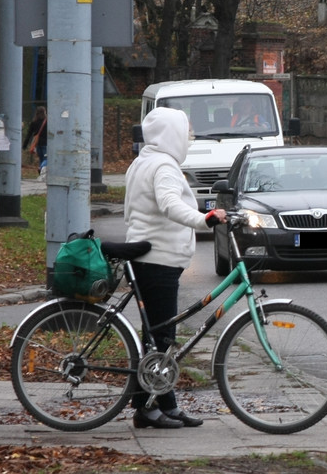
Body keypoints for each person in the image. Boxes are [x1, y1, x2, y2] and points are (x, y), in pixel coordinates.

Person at [123, 107, 227, 429]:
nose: (189, 138)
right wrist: (204, 219)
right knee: (161, 339)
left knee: (158, 339)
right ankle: (148, 408)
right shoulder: (164, 166)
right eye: (186, 132)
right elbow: (170, 205)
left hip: (152, 258)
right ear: (171, 134)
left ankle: (164, 404)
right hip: (158, 260)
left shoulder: (142, 162)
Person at [23, 106, 48, 179]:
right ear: (44, 112)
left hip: (37, 144)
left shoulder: (34, 122)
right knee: (47, 159)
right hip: (45, 143)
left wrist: (25, 145)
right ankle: (41, 168)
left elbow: (29, 134)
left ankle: (42, 174)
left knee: (41, 158)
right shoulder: (47, 122)